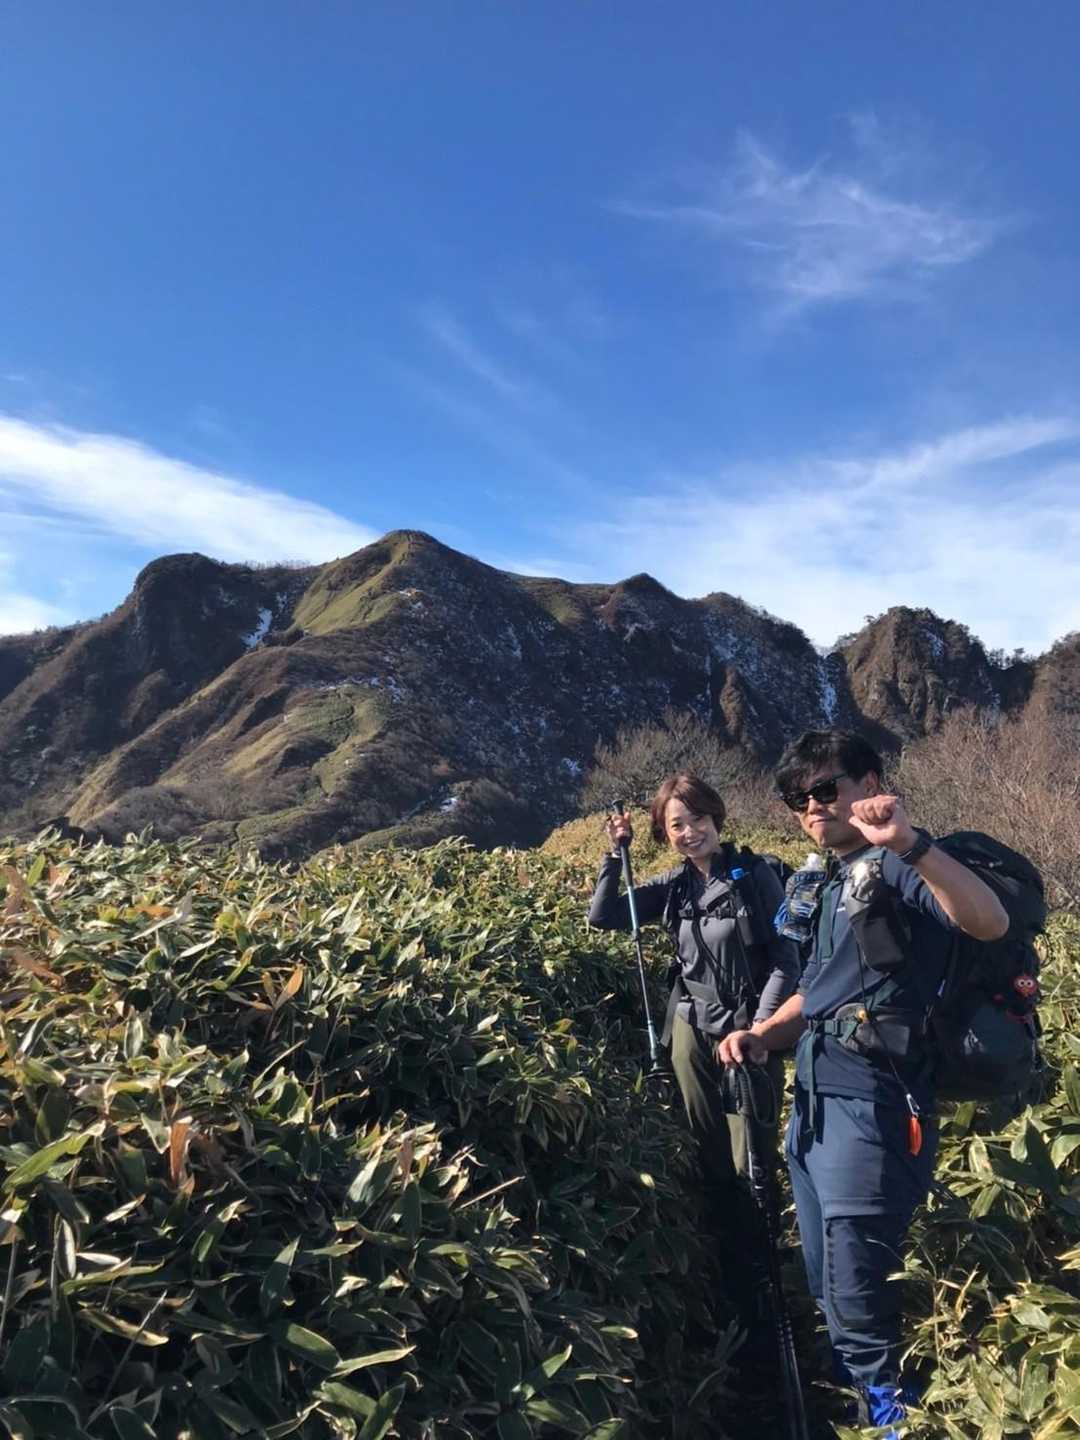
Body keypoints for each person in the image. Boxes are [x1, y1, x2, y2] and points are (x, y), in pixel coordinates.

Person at [718, 730, 1008, 1433]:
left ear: (870, 783)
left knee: (856, 1291)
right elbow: (815, 993)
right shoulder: (830, 881)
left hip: (874, 1107)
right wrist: (762, 1034)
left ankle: (887, 1419)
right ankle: (855, 1404)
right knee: (827, 1283)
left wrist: (910, 843)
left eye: (826, 789)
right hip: (815, 1108)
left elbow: (989, 921)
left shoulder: (899, 866)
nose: (812, 806)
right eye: (797, 798)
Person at [587, 772, 800, 1330]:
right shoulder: (674, 887)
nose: (690, 832)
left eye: (698, 819)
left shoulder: (755, 877)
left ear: (716, 818)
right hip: (690, 1030)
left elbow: (786, 960)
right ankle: (727, 1268)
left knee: (752, 1157)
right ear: (665, 833)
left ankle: (767, 1271)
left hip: (747, 1033)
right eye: (676, 825)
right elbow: (604, 916)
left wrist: (762, 1028)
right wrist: (616, 853)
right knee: (708, 1152)